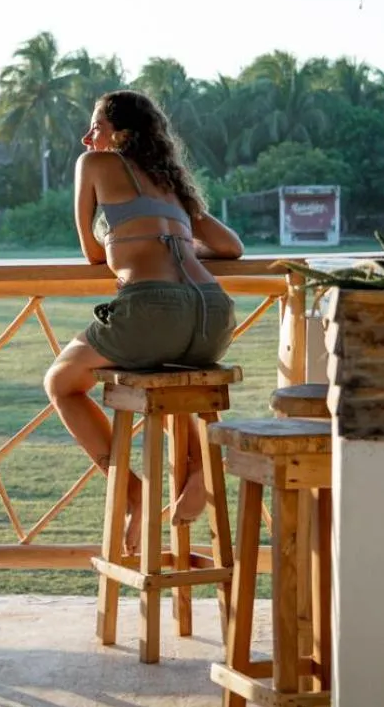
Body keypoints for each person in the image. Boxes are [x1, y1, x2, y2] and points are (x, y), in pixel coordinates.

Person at [43, 89, 244, 554]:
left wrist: (136, 249)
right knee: (172, 375)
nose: (87, 136)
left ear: (121, 134)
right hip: (212, 312)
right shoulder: (169, 180)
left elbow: (92, 253)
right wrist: (178, 242)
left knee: (60, 382)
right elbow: (231, 247)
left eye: (96, 126)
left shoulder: (93, 164)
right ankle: (195, 472)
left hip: (153, 308)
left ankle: (134, 492)